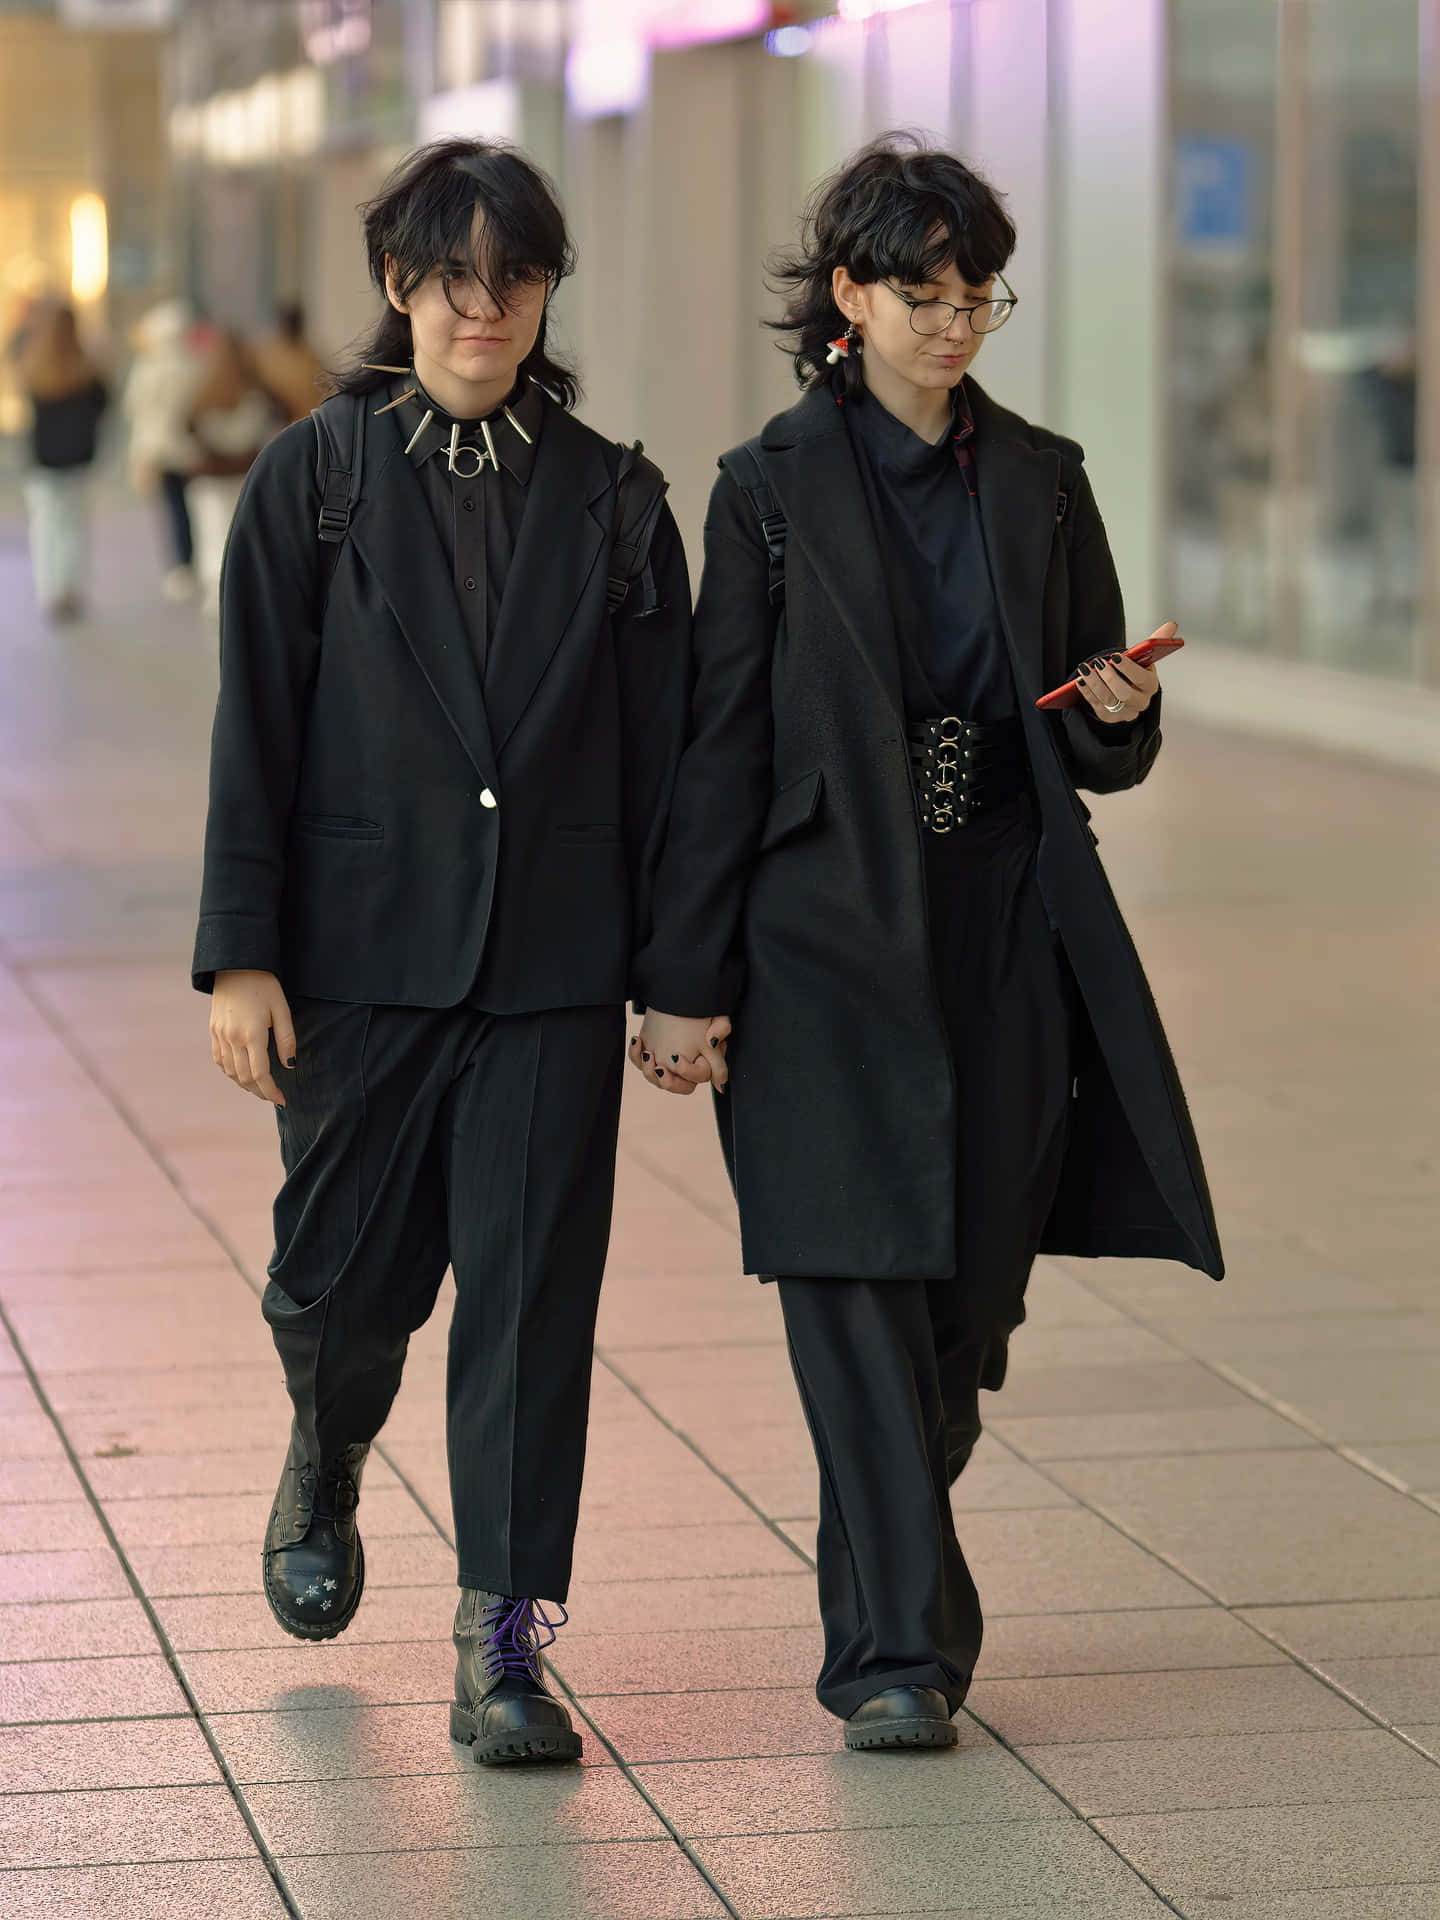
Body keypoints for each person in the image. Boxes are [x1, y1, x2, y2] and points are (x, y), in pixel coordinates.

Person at [630, 136, 1224, 1754]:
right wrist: (683, 986)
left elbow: (1101, 732)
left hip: (1004, 929)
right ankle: (896, 1655)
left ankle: (894, 1572)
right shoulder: (766, 490)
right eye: (924, 292)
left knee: (962, 1312)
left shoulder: (1039, 477)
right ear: (849, 296)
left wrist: (1124, 711)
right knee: (849, 1283)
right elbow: (720, 748)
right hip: (820, 939)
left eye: (978, 295)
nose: (956, 323)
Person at [193, 138, 692, 1767]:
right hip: (355, 963)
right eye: (454, 278)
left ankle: (503, 1651)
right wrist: (242, 955)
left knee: (532, 1312)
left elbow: (669, 759)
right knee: (342, 1290)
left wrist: (682, 970)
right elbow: (252, 730)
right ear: (399, 286)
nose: (486, 309)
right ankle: (326, 1454)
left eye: (518, 278)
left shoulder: (619, 498)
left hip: (551, 969)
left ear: (548, 292)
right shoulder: (312, 479)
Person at [17, 301, 109, 622]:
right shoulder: (86, 368)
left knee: (46, 526)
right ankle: (70, 589)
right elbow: (103, 405)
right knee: (73, 525)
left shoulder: (32, 365)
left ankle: (51, 590)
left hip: (43, 458)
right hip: (77, 457)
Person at [186, 330, 283, 613]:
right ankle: (236, 592)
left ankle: (214, 593)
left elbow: (188, 427)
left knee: (210, 534)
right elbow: (279, 419)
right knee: (240, 536)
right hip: (246, 474)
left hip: (210, 476)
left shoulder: (204, 393)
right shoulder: (260, 393)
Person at [121, 298, 206, 602]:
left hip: (161, 451)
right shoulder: (195, 365)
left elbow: (133, 407)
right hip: (190, 449)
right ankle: (195, 562)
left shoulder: (148, 367)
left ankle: (182, 566)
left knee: (174, 508)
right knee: (193, 507)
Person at [252, 301, 330, 427]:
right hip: (275, 425)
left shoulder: (310, 358)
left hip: (301, 424)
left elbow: (324, 394)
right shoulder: (267, 354)